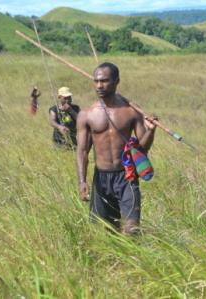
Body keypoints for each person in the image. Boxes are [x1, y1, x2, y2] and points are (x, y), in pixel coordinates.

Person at [76, 62, 157, 235]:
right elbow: (82, 151)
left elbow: (142, 149)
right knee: (106, 231)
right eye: (96, 81)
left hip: (126, 176)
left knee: (132, 229)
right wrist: (82, 181)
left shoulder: (131, 111)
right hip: (101, 179)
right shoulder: (86, 114)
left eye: (104, 81)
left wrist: (150, 131)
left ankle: (135, 260)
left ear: (116, 81)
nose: (99, 86)